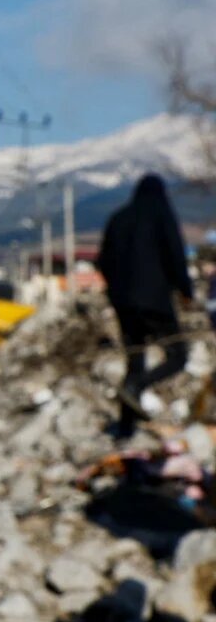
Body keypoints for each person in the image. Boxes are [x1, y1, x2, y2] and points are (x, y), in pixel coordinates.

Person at [98, 174, 194, 436]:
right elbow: (175, 254)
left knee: (135, 358)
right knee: (179, 355)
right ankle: (138, 386)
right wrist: (186, 291)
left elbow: (103, 260)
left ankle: (127, 426)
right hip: (155, 302)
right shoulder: (161, 213)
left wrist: (117, 292)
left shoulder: (118, 218)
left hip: (124, 305)